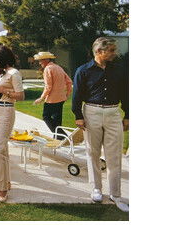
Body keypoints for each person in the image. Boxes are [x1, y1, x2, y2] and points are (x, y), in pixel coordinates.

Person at [72, 37, 129, 212]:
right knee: (93, 152)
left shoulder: (119, 70)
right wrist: (78, 115)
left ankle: (116, 194)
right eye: (111, 50)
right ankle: (96, 189)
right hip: (91, 113)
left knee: (114, 156)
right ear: (99, 51)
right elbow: (76, 95)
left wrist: (128, 115)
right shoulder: (83, 71)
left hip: (113, 113)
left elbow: (126, 93)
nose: (114, 53)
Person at [0, 45, 24, 202]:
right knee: (3, 150)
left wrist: (1, 90)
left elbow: (21, 96)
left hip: (6, 111)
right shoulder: (3, 73)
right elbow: (0, 90)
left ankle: (2, 190)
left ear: (2, 59)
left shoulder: (14, 73)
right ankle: (3, 183)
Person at [33, 51, 73, 138]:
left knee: (46, 117)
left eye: (41, 60)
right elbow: (69, 81)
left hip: (52, 100)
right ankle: (59, 138)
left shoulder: (48, 69)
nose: (39, 63)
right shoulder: (59, 67)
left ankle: (63, 136)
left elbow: (48, 87)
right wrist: (67, 94)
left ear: (47, 60)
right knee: (57, 121)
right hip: (61, 98)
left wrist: (41, 98)